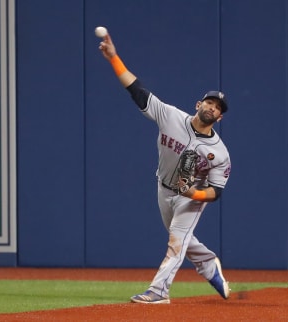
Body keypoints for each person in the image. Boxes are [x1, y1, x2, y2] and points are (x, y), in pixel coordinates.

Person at [98, 31, 232, 304]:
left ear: (219, 117)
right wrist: (114, 58)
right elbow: (136, 90)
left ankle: (159, 291)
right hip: (163, 187)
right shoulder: (170, 116)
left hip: (190, 197)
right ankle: (209, 266)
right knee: (182, 240)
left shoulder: (219, 153)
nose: (212, 107)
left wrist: (193, 195)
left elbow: (216, 191)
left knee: (177, 239)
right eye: (209, 102)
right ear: (199, 104)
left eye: (218, 107)